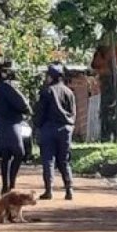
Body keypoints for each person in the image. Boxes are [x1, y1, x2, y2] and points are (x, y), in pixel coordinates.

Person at [34, 63, 76, 200]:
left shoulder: (47, 91)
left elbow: (40, 112)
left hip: (49, 129)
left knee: (48, 160)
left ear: (51, 76)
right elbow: (73, 113)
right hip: (65, 129)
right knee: (64, 160)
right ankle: (69, 189)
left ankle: (49, 190)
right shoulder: (69, 92)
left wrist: (37, 126)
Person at [0, 61, 32, 194]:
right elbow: (21, 103)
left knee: (6, 155)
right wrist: (27, 111)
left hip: (2, 123)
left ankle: (6, 186)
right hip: (10, 123)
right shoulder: (6, 87)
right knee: (19, 153)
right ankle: (11, 184)